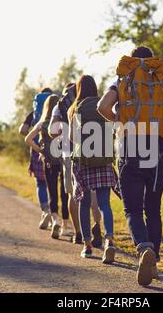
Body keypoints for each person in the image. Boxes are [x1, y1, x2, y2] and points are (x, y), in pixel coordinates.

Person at [98, 46, 163, 286]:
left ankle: (143, 249)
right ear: (151, 60)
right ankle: (153, 258)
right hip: (157, 148)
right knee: (153, 209)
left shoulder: (123, 78)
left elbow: (103, 107)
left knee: (133, 210)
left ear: (133, 59)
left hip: (130, 145)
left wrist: (120, 119)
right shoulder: (161, 79)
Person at [68, 75, 118, 263]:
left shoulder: (75, 108)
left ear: (79, 89)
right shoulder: (103, 105)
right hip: (104, 160)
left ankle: (87, 246)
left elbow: (73, 138)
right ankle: (110, 240)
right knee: (105, 204)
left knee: (83, 202)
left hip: (84, 162)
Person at [49, 83, 104, 247]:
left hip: (69, 153)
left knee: (75, 194)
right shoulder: (94, 103)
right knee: (94, 193)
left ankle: (79, 233)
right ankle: (97, 227)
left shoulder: (61, 106)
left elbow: (52, 131)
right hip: (93, 151)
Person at [25, 94, 70, 239]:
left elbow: (28, 139)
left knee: (52, 192)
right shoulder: (62, 122)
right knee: (64, 193)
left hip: (48, 161)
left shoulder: (42, 123)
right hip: (63, 160)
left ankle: (54, 219)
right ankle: (64, 225)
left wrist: (41, 150)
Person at [19, 87, 53, 230]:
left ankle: (45, 211)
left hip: (36, 148)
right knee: (52, 183)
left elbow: (22, 131)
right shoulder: (54, 112)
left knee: (40, 183)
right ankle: (54, 213)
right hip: (53, 149)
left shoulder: (33, 113)